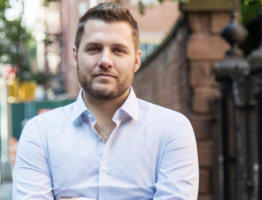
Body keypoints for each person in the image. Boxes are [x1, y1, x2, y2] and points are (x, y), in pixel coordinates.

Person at [13, 2, 199, 200]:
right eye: (94, 49)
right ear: (76, 56)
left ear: (136, 60)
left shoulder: (172, 130)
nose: (105, 61)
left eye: (118, 50)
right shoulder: (39, 133)